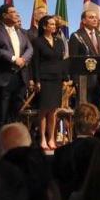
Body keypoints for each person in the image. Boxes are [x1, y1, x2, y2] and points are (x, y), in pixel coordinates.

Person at [0, 4, 33, 130]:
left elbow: (29, 48)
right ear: (4, 15)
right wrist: (14, 59)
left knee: (15, 110)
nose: (17, 14)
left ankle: (11, 136)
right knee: (1, 112)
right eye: (13, 12)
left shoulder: (21, 31)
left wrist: (23, 59)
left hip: (20, 77)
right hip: (2, 77)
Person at [32, 15, 67, 150]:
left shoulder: (59, 41)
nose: (54, 26)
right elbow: (35, 63)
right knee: (43, 110)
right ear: (44, 26)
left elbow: (62, 61)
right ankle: (42, 138)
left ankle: (51, 138)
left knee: (53, 110)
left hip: (56, 78)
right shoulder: (38, 41)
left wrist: (65, 78)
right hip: (44, 78)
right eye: (51, 24)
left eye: (54, 24)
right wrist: (37, 80)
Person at [68, 10, 100, 108]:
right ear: (84, 21)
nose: (95, 19)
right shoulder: (77, 36)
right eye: (91, 17)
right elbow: (73, 60)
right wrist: (75, 81)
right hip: (84, 80)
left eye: (96, 17)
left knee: (98, 109)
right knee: (85, 109)